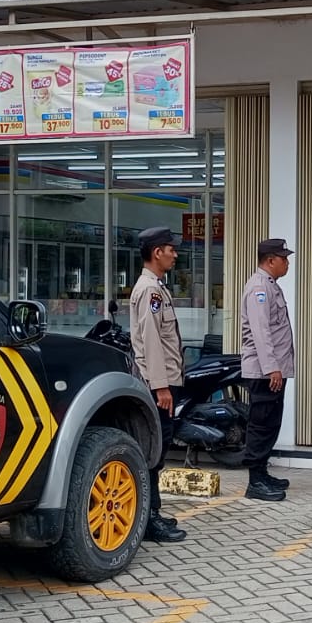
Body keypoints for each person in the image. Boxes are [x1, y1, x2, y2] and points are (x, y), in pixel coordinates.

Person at [129, 226, 188, 543]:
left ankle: (152, 513)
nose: (174, 254)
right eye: (170, 249)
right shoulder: (149, 291)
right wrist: (161, 387)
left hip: (163, 380)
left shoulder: (156, 288)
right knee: (154, 450)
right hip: (157, 384)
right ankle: (149, 520)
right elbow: (151, 341)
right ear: (157, 252)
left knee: (159, 450)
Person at [239, 238, 296, 502]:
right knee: (261, 424)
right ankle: (255, 481)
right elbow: (261, 333)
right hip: (264, 371)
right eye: (284, 258)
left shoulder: (270, 285)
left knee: (271, 423)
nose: (287, 263)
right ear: (270, 260)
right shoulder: (259, 288)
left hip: (273, 370)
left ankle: (262, 472)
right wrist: (272, 368)